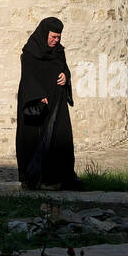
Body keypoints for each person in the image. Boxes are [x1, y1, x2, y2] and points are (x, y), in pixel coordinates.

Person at [15, 16, 83, 190]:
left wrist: (65, 76)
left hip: (57, 103)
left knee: (60, 138)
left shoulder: (59, 51)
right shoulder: (30, 52)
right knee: (35, 140)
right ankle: (35, 179)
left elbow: (64, 68)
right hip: (37, 105)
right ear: (45, 33)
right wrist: (37, 95)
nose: (56, 40)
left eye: (58, 37)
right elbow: (27, 77)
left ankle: (58, 178)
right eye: (53, 37)